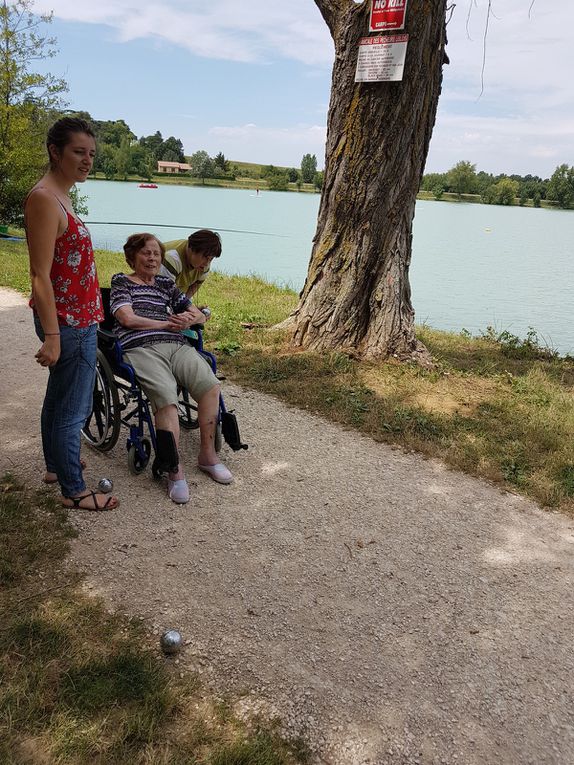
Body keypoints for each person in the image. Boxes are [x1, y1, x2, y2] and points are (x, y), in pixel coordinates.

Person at [25, 116, 119, 511]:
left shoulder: (61, 195)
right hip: (67, 322)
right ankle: (75, 489)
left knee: (59, 397)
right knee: (73, 408)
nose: (87, 161)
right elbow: (39, 275)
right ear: (55, 151)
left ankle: (54, 466)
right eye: (79, 152)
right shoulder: (45, 198)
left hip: (74, 318)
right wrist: (52, 336)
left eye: (91, 154)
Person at [110, 233, 233, 503]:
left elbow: (196, 312)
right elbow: (126, 318)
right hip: (139, 347)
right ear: (132, 257)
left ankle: (208, 456)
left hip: (175, 343)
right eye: (145, 253)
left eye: (156, 253)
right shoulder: (121, 281)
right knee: (166, 397)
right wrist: (165, 323)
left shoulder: (166, 284)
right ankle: (174, 470)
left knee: (209, 384)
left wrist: (191, 319)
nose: (152, 258)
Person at [159, 229, 221, 299]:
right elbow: (163, 297)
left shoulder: (203, 267)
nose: (207, 263)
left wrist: (187, 306)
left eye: (211, 259)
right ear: (192, 249)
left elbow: (187, 297)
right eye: (205, 257)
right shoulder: (172, 259)